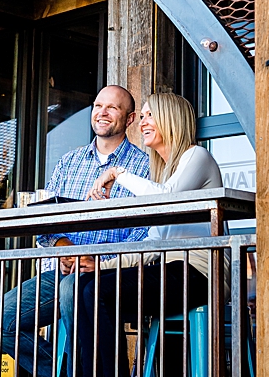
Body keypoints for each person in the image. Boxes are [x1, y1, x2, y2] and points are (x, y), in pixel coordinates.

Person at [0, 86, 151, 377]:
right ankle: (65, 372)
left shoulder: (143, 167)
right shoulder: (68, 163)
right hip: (63, 270)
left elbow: (145, 230)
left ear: (130, 118)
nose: (103, 112)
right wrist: (61, 245)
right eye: (98, 105)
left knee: (74, 293)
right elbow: (44, 221)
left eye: (113, 108)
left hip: (111, 273)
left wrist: (98, 259)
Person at [90, 92, 220, 340]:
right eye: (141, 116)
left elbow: (167, 198)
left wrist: (118, 173)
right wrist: (99, 265)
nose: (143, 123)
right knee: (85, 287)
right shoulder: (163, 174)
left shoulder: (197, 156)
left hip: (199, 275)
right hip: (170, 269)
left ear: (171, 119)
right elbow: (150, 246)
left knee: (95, 292)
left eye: (151, 115)